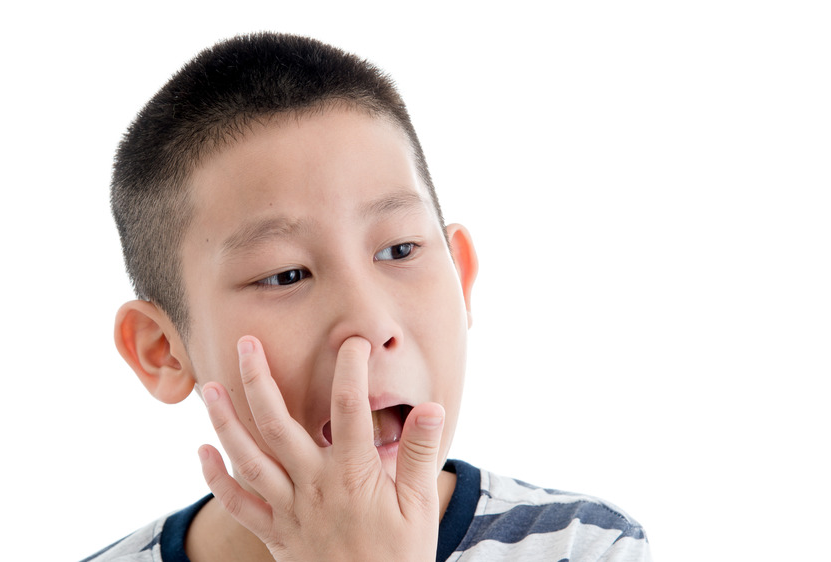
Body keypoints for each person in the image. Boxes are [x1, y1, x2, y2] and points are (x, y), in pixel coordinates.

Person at [85, 32, 651, 562]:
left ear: (462, 277)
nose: (367, 321)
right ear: (162, 350)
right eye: (286, 275)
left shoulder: (583, 547)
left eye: (400, 250)